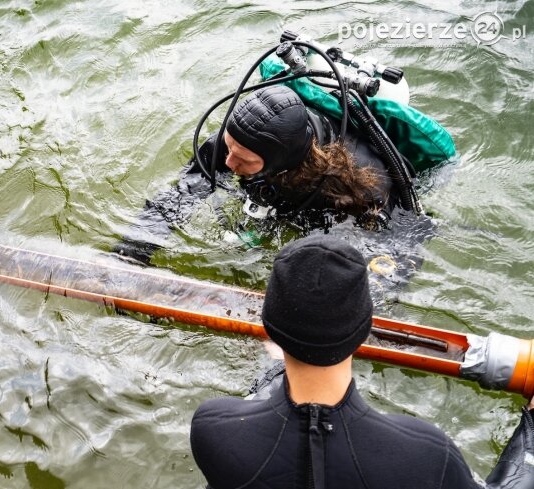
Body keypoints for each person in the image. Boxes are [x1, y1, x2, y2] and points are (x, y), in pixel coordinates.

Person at [189, 235, 534, 489]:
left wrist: (278, 368)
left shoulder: (213, 429)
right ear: (365, 330)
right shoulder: (426, 454)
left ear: (270, 330)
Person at [115, 84, 430, 265]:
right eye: (229, 148)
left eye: (244, 160)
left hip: (327, 209)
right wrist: (130, 254)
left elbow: (401, 245)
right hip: (278, 190)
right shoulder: (235, 141)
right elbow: (181, 195)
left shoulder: (364, 182)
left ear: (283, 162)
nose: (228, 162)